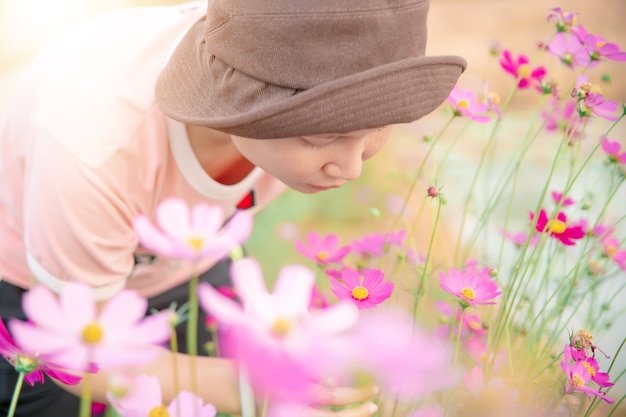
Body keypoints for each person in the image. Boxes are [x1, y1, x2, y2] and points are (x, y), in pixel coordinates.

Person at [0, 0, 466, 415]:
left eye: (376, 126)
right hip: (42, 290)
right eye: (323, 134)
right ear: (235, 100)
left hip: (185, 262)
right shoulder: (92, 150)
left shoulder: (287, 49)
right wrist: (246, 388)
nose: (350, 168)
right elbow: (78, 355)